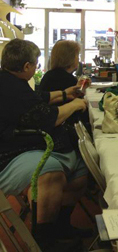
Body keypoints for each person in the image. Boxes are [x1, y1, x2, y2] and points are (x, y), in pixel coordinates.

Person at [0, 39, 89, 251]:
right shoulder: (8, 87)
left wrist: (66, 93)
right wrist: (76, 104)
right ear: (26, 67)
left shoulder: (11, 81)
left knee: (81, 170)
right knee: (51, 172)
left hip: (20, 146)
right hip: (7, 155)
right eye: (36, 63)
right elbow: (48, 118)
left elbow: (37, 98)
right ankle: (44, 239)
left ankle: (60, 226)